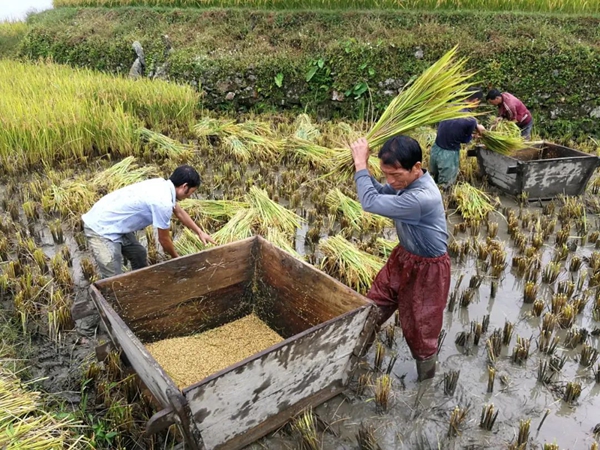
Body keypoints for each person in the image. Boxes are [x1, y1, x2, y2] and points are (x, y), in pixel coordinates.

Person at [350, 135, 451, 381]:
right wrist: (364, 173)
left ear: (416, 167)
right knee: (373, 305)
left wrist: (360, 166)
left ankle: (426, 382)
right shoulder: (405, 186)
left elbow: (370, 202)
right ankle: (352, 356)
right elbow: (380, 191)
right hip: (404, 257)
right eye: (386, 174)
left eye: (396, 175)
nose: (390, 181)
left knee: (421, 329)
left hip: (428, 270)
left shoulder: (422, 198)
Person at [82, 165, 216, 279]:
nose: (189, 197)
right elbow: (164, 240)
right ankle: (112, 302)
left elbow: (179, 212)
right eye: (190, 193)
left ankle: (140, 287)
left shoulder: (162, 184)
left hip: (114, 221)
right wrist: (177, 259)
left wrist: (199, 232)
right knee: (113, 279)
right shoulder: (162, 202)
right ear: (184, 186)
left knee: (139, 254)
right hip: (100, 228)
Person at [429, 88, 486, 187]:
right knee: (445, 185)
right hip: (448, 155)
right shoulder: (470, 120)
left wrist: (476, 125)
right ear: (475, 100)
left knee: (431, 180)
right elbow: (464, 139)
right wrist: (474, 136)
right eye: (478, 103)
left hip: (435, 150)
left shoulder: (452, 106)